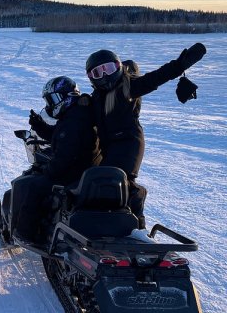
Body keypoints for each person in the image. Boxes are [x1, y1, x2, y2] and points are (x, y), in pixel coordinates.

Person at [84, 43, 207, 228]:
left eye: (108, 69)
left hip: (128, 144)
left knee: (123, 184)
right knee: (102, 184)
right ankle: (110, 224)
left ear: (118, 67)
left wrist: (180, 64)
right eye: (97, 73)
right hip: (108, 146)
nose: (104, 76)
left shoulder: (129, 87)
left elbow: (157, 77)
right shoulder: (96, 97)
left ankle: (138, 229)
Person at [11, 76, 101, 244]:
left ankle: (25, 235)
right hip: (85, 171)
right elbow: (59, 136)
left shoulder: (75, 120)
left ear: (65, 97)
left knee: (34, 186)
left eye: (52, 99)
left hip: (74, 174)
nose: (50, 104)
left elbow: (65, 158)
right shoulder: (76, 115)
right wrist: (39, 125)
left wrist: (48, 170)